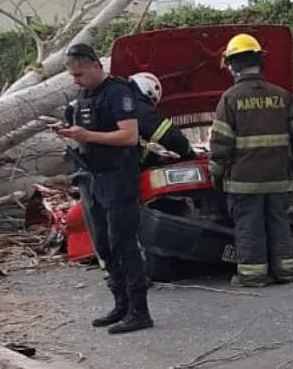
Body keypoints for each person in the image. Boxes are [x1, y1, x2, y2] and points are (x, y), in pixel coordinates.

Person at [57, 43, 153, 334]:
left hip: (118, 176)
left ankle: (139, 310)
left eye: (80, 74)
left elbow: (129, 136)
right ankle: (120, 303)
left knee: (123, 242)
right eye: (72, 76)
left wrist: (88, 135)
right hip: (93, 177)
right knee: (103, 243)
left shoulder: (118, 93)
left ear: (97, 66)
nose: (76, 80)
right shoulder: (86, 95)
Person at [210, 33, 293, 287]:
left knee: (249, 226)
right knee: (279, 223)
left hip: (244, 181)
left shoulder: (230, 99)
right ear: (259, 61)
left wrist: (216, 173)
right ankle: (285, 271)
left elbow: (221, 143)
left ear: (232, 65)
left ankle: (253, 275)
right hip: (279, 177)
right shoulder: (282, 96)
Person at [126, 71, 197, 167]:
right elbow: (169, 136)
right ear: (149, 91)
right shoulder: (138, 106)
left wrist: (155, 158)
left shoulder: (123, 100)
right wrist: (188, 151)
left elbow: (135, 148)